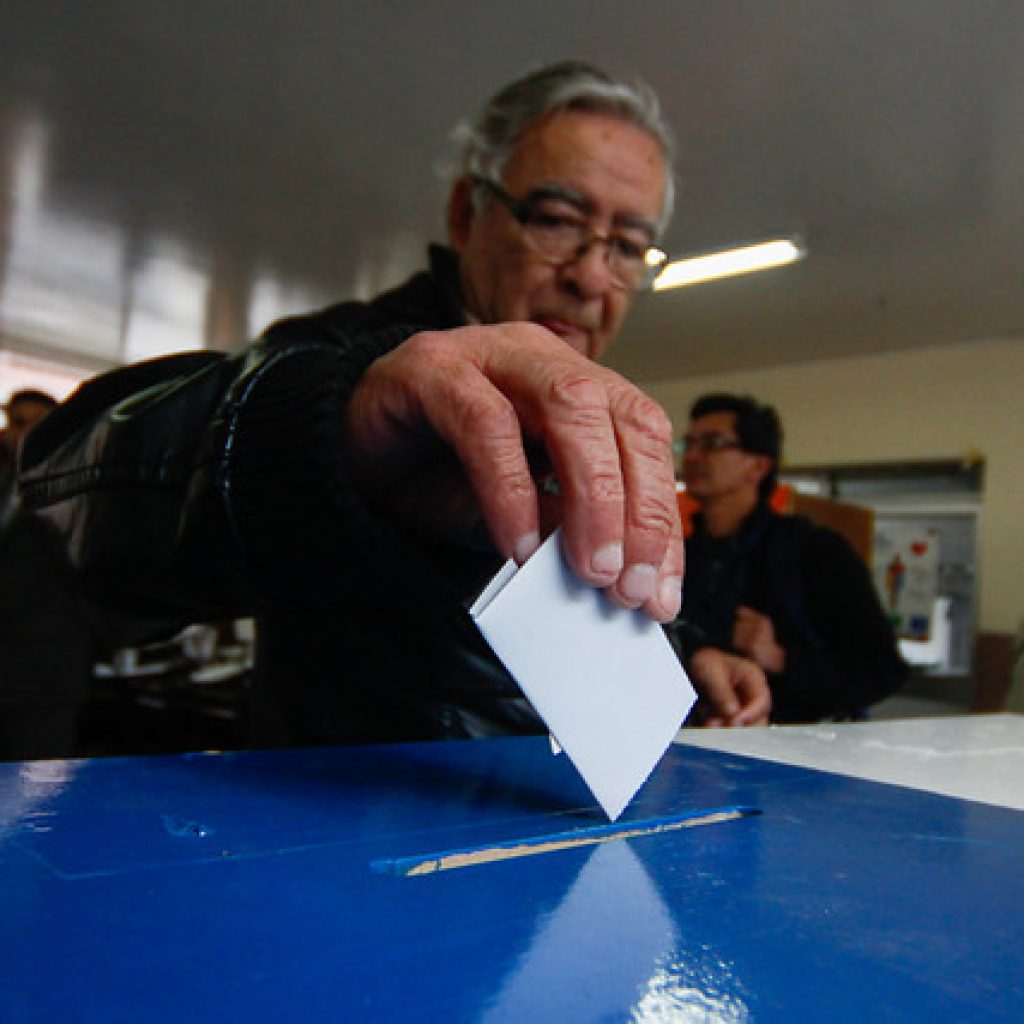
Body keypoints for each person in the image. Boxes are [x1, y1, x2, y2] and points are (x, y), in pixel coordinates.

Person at [18, 61, 769, 748]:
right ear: (468, 215)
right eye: (558, 221)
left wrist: (688, 648)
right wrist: (328, 431)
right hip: (357, 859)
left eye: (628, 246)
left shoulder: (584, 407)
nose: (592, 276)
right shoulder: (351, 362)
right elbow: (68, 489)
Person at [672, 392, 908, 722]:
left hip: (799, 754)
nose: (693, 456)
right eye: (688, 444)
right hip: (702, 750)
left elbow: (882, 671)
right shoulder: (682, 555)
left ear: (759, 465)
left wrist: (781, 658)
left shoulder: (815, 550)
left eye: (712, 443)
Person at [1, 390, 95, 759]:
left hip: (44, 676)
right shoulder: (4, 485)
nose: (20, 434)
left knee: (37, 799)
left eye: (34, 426)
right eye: (15, 423)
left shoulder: (77, 492)